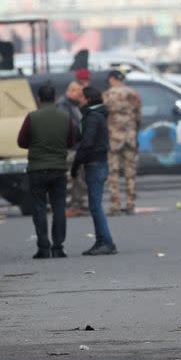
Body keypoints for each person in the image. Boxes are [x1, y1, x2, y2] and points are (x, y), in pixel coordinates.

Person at [17, 84, 76, 259]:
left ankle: (43, 247)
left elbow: (21, 141)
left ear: (39, 99)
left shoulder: (32, 117)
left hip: (37, 169)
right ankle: (58, 247)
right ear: (56, 98)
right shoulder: (65, 117)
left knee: (39, 207)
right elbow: (71, 141)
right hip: (58, 168)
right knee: (59, 207)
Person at [72, 87, 117, 256]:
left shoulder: (92, 117)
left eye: (81, 96)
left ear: (88, 99)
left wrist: (76, 164)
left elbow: (87, 142)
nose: (78, 99)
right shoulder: (94, 115)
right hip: (98, 163)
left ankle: (106, 242)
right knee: (94, 205)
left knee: (96, 206)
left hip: (95, 164)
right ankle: (101, 241)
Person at [103, 69, 142, 216]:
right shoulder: (133, 94)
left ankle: (115, 204)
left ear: (112, 79)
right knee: (130, 171)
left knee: (113, 171)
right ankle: (131, 203)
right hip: (130, 136)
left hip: (114, 137)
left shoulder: (107, 95)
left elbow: (101, 114)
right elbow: (138, 116)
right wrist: (134, 130)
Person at [57, 81, 86, 217]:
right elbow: (70, 125)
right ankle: (68, 206)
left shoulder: (74, 105)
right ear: (72, 91)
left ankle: (77, 204)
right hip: (69, 148)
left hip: (77, 147)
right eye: (79, 93)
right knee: (69, 178)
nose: (81, 96)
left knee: (78, 178)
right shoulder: (63, 105)